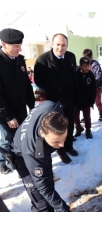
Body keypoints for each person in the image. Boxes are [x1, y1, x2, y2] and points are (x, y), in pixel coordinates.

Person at [11, 101, 71, 212]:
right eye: (56, 141)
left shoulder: (53, 109)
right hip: (22, 157)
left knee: (48, 180)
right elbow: (45, 189)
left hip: (40, 148)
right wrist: (64, 210)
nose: (62, 145)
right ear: (42, 133)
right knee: (41, 203)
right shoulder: (34, 151)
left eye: (64, 139)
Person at [34, 33, 79, 164]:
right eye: (58, 44)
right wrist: (50, 91)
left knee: (69, 124)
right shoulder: (42, 60)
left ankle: (69, 145)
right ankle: (61, 151)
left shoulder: (71, 57)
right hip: (54, 101)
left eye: (63, 45)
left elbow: (74, 76)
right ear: (52, 44)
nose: (60, 47)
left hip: (70, 98)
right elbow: (38, 81)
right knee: (57, 127)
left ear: (67, 45)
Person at [0, 28, 35, 175]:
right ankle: (2, 163)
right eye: (16, 46)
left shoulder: (20, 60)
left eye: (20, 45)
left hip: (21, 109)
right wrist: (8, 117)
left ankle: (18, 160)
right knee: (6, 139)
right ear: (4, 44)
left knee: (20, 136)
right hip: (4, 112)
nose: (19, 49)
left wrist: (32, 105)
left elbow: (26, 84)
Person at [74, 57, 96, 139]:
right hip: (77, 100)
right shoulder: (76, 74)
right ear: (80, 66)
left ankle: (88, 130)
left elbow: (93, 88)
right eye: (84, 66)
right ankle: (78, 127)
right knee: (75, 116)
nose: (87, 68)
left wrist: (92, 100)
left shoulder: (90, 75)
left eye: (88, 66)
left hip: (87, 100)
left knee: (87, 116)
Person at [82, 49, 102, 122]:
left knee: (97, 100)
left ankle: (101, 113)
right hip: (87, 87)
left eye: (87, 58)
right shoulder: (84, 64)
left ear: (91, 57)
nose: (86, 60)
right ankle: (86, 116)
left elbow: (98, 77)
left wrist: (91, 81)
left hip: (96, 87)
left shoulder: (95, 65)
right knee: (86, 102)